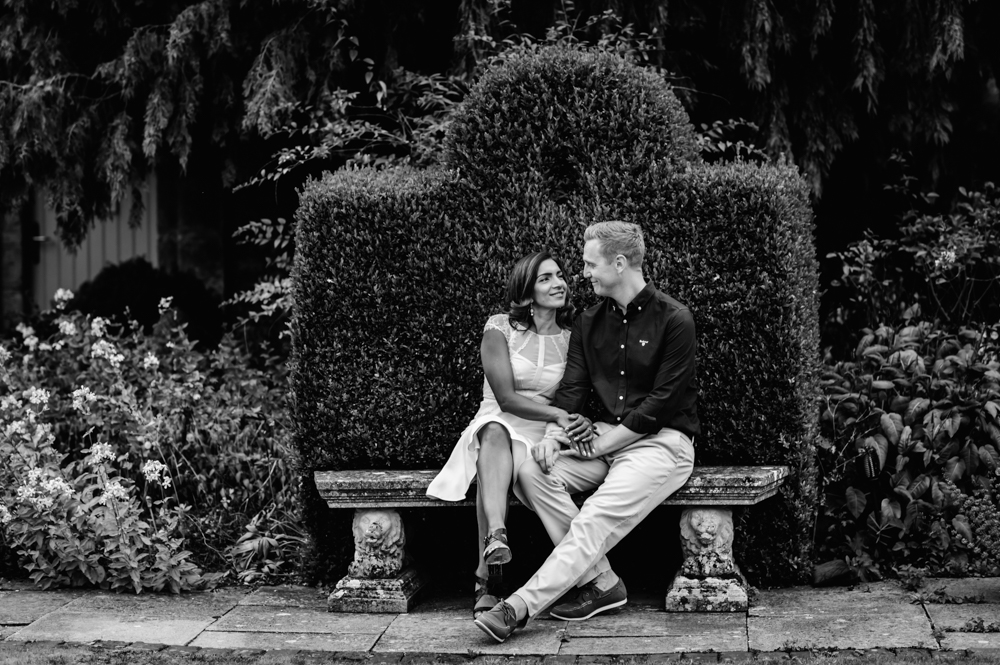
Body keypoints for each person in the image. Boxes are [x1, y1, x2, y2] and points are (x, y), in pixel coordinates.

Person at [474, 221, 700, 643]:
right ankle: (602, 582)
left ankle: (518, 606)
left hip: (661, 446)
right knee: (531, 472)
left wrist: (599, 444)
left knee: (593, 519)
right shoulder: (589, 322)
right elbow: (573, 392)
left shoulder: (675, 319)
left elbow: (658, 407)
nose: (583, 273)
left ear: (618, 263)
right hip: (602, 438)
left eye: (589, 263)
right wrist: (551, 439)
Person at [427, 251, 593, 619]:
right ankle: (497, 537)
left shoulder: (571, 339)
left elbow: (574, 391)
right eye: (545, 278)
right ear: (527, 289)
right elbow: (505, 397)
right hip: (497, 418)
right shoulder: (500, 328)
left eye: (560, 275)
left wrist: (558, 421)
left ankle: (489, 575)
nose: (558, 283)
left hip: (542, 433)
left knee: (496, 464)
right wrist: (559, 413)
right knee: (494, 433)